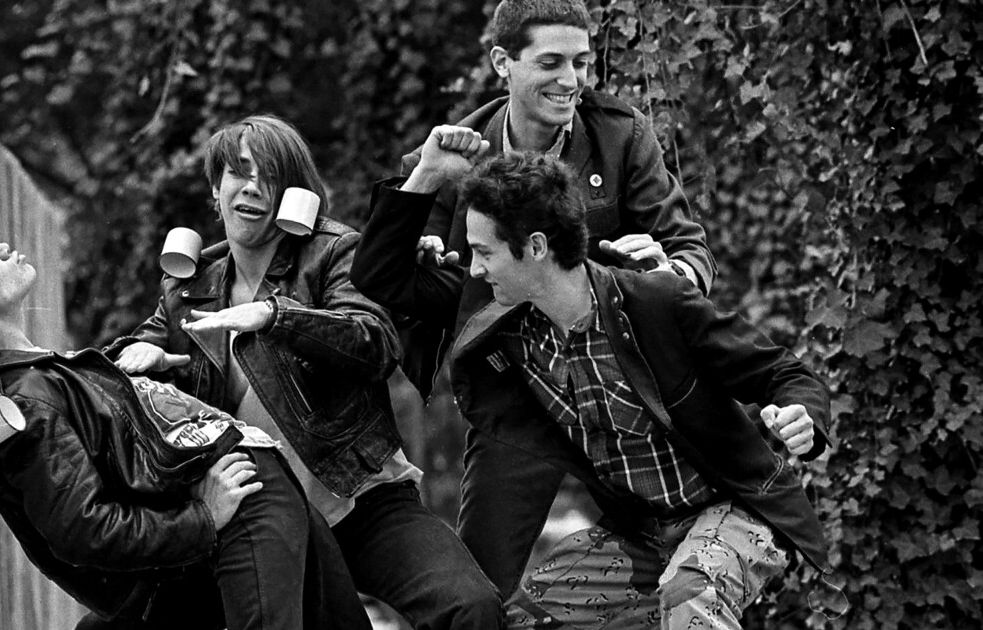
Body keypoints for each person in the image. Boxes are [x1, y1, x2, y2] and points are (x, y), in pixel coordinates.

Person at [0, 220, 372, 630]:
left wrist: (149, 371)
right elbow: (86, 530)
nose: (0, 248)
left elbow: (123, 454)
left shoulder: (38, 373)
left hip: (252, 494)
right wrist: (203, 518)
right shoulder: (22, 403)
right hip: (236, 507)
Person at [111, 114, 503, 630]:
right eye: (239, 172)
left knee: (470, 607)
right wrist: (139, 354)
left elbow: (374, 340)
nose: (252, 187)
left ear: (294, 196)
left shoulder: (334, 252)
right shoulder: (188, 287)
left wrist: (276, 316)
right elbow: (138, 350)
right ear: (215, 191)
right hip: (263, 517)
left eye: (270, 176)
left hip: (357, 497)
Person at [429, 149, 833, 628]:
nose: (475, 270)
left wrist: (801, 414)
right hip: (642, 533)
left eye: (484, 252)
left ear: (536, 247)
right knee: (525, 623)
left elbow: (783, 372)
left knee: (689, 591)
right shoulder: (507, 342)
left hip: (734, 508)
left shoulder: (655, 303)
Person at [353, 0, 716, 397]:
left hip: (619, 372)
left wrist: (669, 276)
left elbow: (688, 247)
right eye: (550, 63)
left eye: (580, 63)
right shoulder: (446, 159)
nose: (570, 81)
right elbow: (384, 280)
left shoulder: (620, 136)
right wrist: (425, 179)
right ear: (502, 62)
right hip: (503, 389)